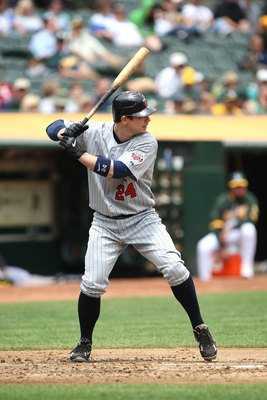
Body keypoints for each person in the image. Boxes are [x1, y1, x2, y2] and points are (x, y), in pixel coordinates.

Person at [46, 90, 217, 363]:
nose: (148, 120)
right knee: (92, 283)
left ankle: (200, 328)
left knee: (174, 267)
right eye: (141, 116)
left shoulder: (147, 142)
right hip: (104, 222)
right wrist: (64, 131)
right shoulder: (96, 132)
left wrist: (77, 151)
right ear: (124, 119)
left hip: (141, 218)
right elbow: (51, 126)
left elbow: (116, 170)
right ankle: (84, 342)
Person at [196, 171, 259, 281]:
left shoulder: (250, 199)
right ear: (230, 187)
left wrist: (232, 227)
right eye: (236, 186)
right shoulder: (223, 200)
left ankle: (246, 269)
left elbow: (251, 219)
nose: (239, 189)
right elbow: (215, 222)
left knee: (249, 229)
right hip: (223, 235)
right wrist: (221, 243)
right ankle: (204, 280)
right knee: (203, 246)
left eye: (242, 186)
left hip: (238, 235)